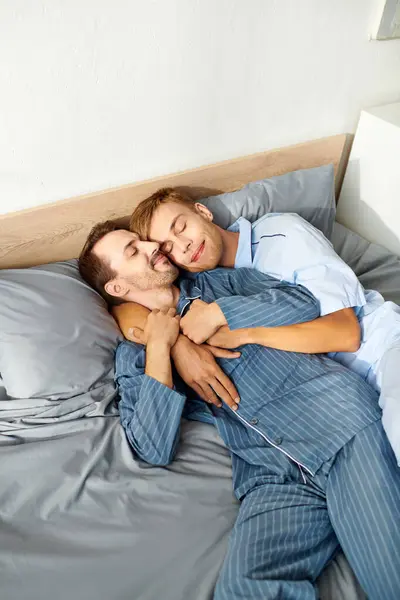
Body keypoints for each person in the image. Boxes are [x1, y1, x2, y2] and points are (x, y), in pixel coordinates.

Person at [78, 222, 400, 600]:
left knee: (389, 576)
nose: (152, 246)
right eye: (133, 251)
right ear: (117, 289)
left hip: (336, 424)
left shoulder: (218, 284)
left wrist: (220, 314)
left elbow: (303, 302)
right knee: (244, 589)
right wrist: (163, 347)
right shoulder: (137, 354)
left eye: (143, 239)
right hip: (272, 474)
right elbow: (152, 446)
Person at [117, 187, 400, 464]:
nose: (184, 245)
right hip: (347, 393)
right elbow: (125, 307)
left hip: (381, 349)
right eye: (167, 248)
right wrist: (176, 344)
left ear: (202, 212)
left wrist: (243, 331)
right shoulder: (203, 288)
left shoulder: (280, 235)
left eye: (182, 227)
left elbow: (346, 334)